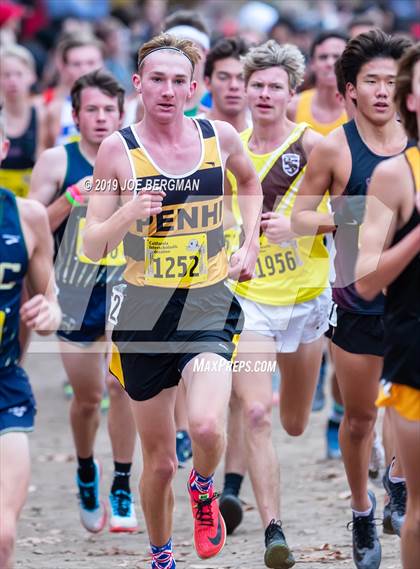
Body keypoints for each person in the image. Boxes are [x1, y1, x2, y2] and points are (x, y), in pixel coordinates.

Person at [83, 33, 262, 569]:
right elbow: (92, 243)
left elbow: (250, 183)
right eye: (156, 80)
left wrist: (248, 240)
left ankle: (204, 485)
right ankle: (162, 555)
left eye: (178, 81)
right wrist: (125, 214)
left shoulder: (219, 136)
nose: (167, 90)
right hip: (143, 311)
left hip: (207, 302)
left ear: (194, 87)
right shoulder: (118, 150)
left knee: (206, 426)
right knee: (158, 464)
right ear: (138, 84)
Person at [291, 29, 412, 569]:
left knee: (406, 402)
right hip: (356, 298)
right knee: (360, 417)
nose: (383, 91)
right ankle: (363, 512)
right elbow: (297, 217)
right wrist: (355, 217)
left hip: (409, 301)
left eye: (391, 81)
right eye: (372, 81)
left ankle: (400, 480)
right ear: (350, 90)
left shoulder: (415, 142)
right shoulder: (335, 147)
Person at [225, 40, 329, 568]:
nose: (264, 94)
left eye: (275, 87)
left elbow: (366, 218)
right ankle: (274, 532)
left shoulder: (316, 145)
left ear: (293, 93)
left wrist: (300, 224)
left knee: (293, 422)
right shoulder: (230, 149)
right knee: (258, 413)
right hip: (252, 307)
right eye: (256, 85)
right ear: (243, 90)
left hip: (307, 302)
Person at [29, 69, 138, 534]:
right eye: (90, 110)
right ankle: (87, 469)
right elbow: (34, 227)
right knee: (89, 399)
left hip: (123, 286)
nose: (99, 118)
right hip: (73, 291)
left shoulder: (135, 158)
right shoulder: (57, 161)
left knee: (122, 388)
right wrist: (71, 199)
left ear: (120, 113)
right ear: (75, 116)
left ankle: (121, 483)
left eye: (108, 110)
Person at [355, 42, 420, 569]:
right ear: (411, 99)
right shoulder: (396, 175)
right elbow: (367, 281)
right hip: (415, 355)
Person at [0, 112, 61, 569]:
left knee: (3, 536)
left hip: (5, 385)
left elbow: (51, 308)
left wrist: (46, 311)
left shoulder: (27, 217)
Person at [0, 45, 47, 198]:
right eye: (6, 75)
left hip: (30, 196)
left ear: (31, 76)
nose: (12, 81)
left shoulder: (41, 114)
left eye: (19, 74)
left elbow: (44, 163)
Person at [45, 34, 104, 147]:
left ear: (102, 63)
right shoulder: (53, 109)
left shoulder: (122, 106)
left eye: (91, 63)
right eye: (76, 64)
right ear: (64, 67)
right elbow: (44, 152)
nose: (84, 69)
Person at [288, 30, 349, 136]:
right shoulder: (292, 107)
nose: (330, 63)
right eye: (323, 57)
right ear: (312, 63)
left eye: (337, 57)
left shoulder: (359, 110)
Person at [203, 36, 250, 132]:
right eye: (223, 77)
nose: (234, 86)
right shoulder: (191, 131)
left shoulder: (263, 135)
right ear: (207, 83)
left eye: (241, 78)